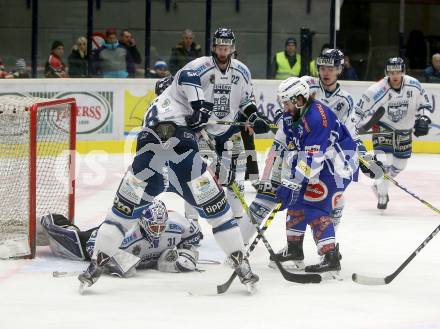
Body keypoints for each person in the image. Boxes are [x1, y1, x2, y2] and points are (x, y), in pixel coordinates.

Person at [78, 64, 259, 292]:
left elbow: (199, 130)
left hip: (147, 161)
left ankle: (95, 266)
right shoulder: (182, 83)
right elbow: (190, 78)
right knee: (220, 214)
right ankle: (242, 265)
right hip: (182, 158)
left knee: (120, 215)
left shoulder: (156, 108)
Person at [243, 49, 365, 249]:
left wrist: (365, 157)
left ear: (339, 70)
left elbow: (351, 133)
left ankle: (306, 247)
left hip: (321, 161)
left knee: (325, 201)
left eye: (331, 68)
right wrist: (269, 123)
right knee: (266, 196)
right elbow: (285, 112)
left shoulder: (345, 100)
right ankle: (238, 247)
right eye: (322, 67)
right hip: (289, 150)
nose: (325, 72)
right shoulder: (306, 83)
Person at [180, 27, 271, 245]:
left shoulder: (242, 71)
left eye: (227, 45)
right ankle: (191, 225)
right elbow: (184, 92)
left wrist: (253, 116)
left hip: (230, 130)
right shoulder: (199, 67)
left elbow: (246, 101)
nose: (223, 49)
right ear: (213, 46)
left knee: (237, 178)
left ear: (233, 47)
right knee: (197, 177)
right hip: (202, 131)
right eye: (220, 45)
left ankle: (239, 226)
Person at [273, 76, 359, 274]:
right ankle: (294, 249)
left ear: (300, 99)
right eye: (283, 102)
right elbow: (296, 147)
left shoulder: (318, 117)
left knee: (315, 203)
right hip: (319, 161)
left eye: (287, 102)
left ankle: (330, 257)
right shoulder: (291, 114)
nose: (284, 107)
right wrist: (291, 180)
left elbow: (312, 160)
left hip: (339, 165)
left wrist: (291, 183)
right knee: (296, 200)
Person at [40, 200, 202, 277]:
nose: (158, 232)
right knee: (76, 245)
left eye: (162, 226)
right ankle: (47, 222)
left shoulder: (175, 225)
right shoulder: (126, 234)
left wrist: (186, 252)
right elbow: (92, 246)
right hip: (101, 235)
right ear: (143, 223)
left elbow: (194, 235)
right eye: (154, 227)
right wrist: (115, 260)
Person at [354, 57, 432, 210]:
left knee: (399, 165)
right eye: (391, 72)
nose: (395, 75)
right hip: (384, 127)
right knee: (384, 162)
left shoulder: (414, 85)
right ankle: (382, 194)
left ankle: (380, 184)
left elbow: (424, 104)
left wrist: (423, 119)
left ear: (403, 71)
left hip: (404, 130)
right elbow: (359, 110)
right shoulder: (376, 90)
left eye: (398, 71)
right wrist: (353, 125)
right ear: (387, 72)